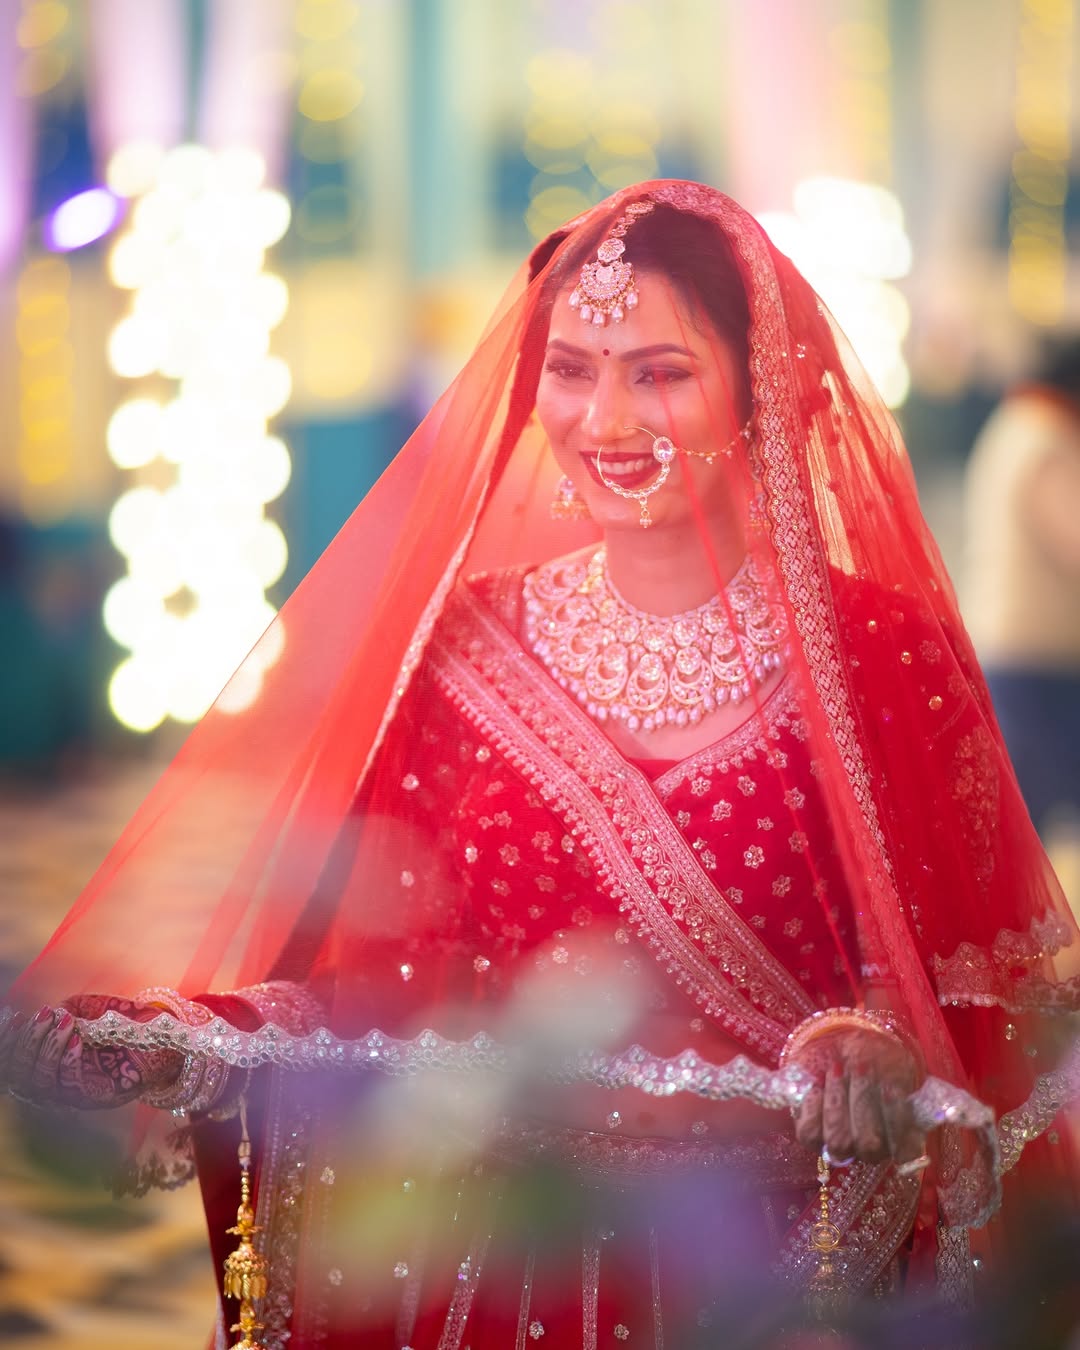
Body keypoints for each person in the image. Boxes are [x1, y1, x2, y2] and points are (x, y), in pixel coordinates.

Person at [1, 181, 1078, 1349]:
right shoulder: (464, 645)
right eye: (571, 369)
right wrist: (197, 1040)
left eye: (659, 372)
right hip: (496, 1261)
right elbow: (390, 979)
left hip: (775, 1267)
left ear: (766, 389)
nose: (607, 420)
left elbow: (981, 988)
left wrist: (870, 1042)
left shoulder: (879, 656)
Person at [964, 340, 1080, 841]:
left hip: (1016, 652)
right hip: (1035, 660)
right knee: (1044, 825)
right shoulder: (1044, 439)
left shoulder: (1014, 426)